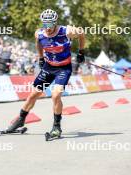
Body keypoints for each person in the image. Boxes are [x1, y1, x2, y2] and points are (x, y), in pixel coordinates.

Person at [6, 9, 86, 137]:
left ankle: (56, 127)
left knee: (55, 95)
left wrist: (81, 51)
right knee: (33, 95)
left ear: (55, 23)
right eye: (45, 25)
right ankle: (20, 120)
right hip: (49, 68)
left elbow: (81, 34)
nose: (47, 28)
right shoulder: (39, 33)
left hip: (63, 68)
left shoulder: (67, 31)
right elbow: (38, 44)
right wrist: (41, 57)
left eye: (50, 25)